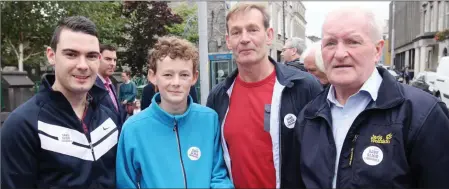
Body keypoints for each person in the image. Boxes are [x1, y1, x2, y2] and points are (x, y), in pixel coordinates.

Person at [294, 7, 449, 188]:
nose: (340, 53)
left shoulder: (422, 114)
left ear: (377, 50)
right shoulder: (308, 116)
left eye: (353, 42)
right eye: (330, 43)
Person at [206, 2, 322, 188]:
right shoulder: (218, 97)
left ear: (269, 35)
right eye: (236, 32)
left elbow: (322, 159)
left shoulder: (303, 87)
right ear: (228, 41)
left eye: (252, 29)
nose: (244, 39)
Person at [1, 16, 120, 188]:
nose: (83, 65)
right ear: (51, 55)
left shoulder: (108, 116)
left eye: (91, 56)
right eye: (71, 54)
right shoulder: (22, 125)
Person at [116, 36, 233, 188]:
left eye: (184, 75)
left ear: (194, 77)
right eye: (168, 75)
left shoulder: (209, 120)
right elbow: (126, 183)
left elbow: (218, 175)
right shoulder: (133, 129)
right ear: (153, 77)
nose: (176, 83)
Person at [95, 44, 127, 124]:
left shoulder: (111, 84)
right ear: (97, 59)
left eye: (114, 60)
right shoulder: (91, 86)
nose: (113, 63)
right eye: (108, 59)